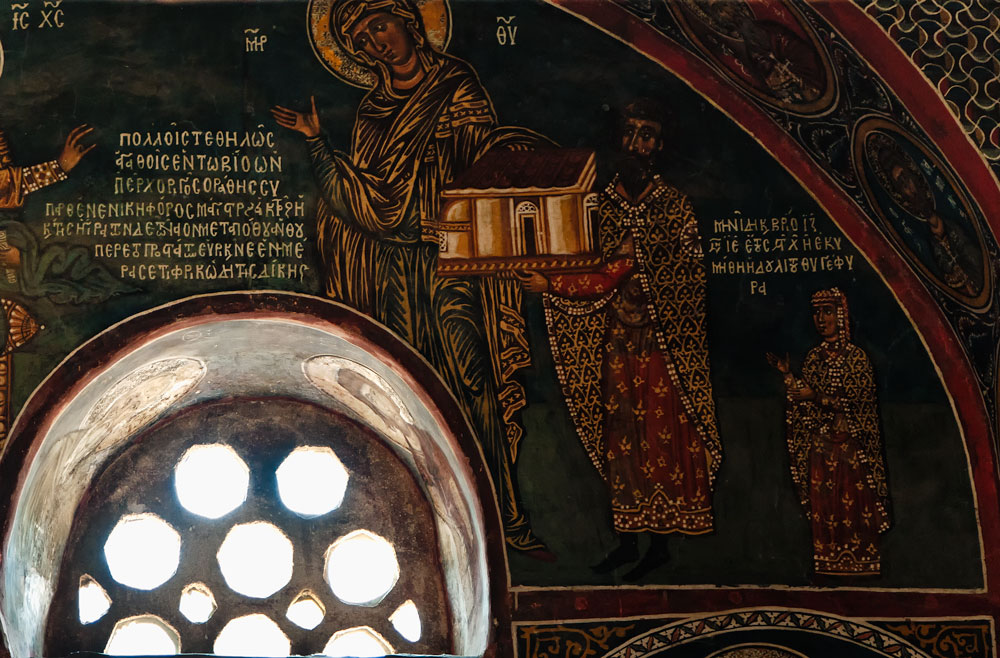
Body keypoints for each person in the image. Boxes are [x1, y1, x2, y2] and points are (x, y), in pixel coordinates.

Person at [271, 0, 551, 553]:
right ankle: (427, 519)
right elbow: (367, 199)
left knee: (474, 382)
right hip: (395, 270)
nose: (376, 42)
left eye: (380, 26)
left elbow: (485, 168)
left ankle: (503, 514)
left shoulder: (457, 87)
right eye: (362, 40)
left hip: (451, 262)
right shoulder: (374, 112)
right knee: (406, 387)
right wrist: (316, 140)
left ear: (410, 22)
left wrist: (469, 154)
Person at [521, 100, 721, 580]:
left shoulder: (673, 206)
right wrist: (558, 279)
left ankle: (662, 544)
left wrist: (637, 264)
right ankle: (628, 540)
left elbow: (686, 277)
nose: (636, 145)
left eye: (647, 135)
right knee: (623, 444)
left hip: (662, 347)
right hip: (615, 344)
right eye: (630, 133)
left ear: (660, 145)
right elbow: (587, 264)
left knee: (663, 442)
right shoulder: (600, 208)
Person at [767, 288, 890, 576]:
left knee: (855, 507)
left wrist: (818, 398)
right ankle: (828, 566)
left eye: (828, 312)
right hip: (821, 449)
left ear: (842, 315)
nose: (821, 319)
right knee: (827, 510)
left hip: (851, 451)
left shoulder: (858, 360)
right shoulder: (813, 359)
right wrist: (788, 376)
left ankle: (862, 566)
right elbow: (804, 403)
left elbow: (859, 406)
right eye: (817, 313)